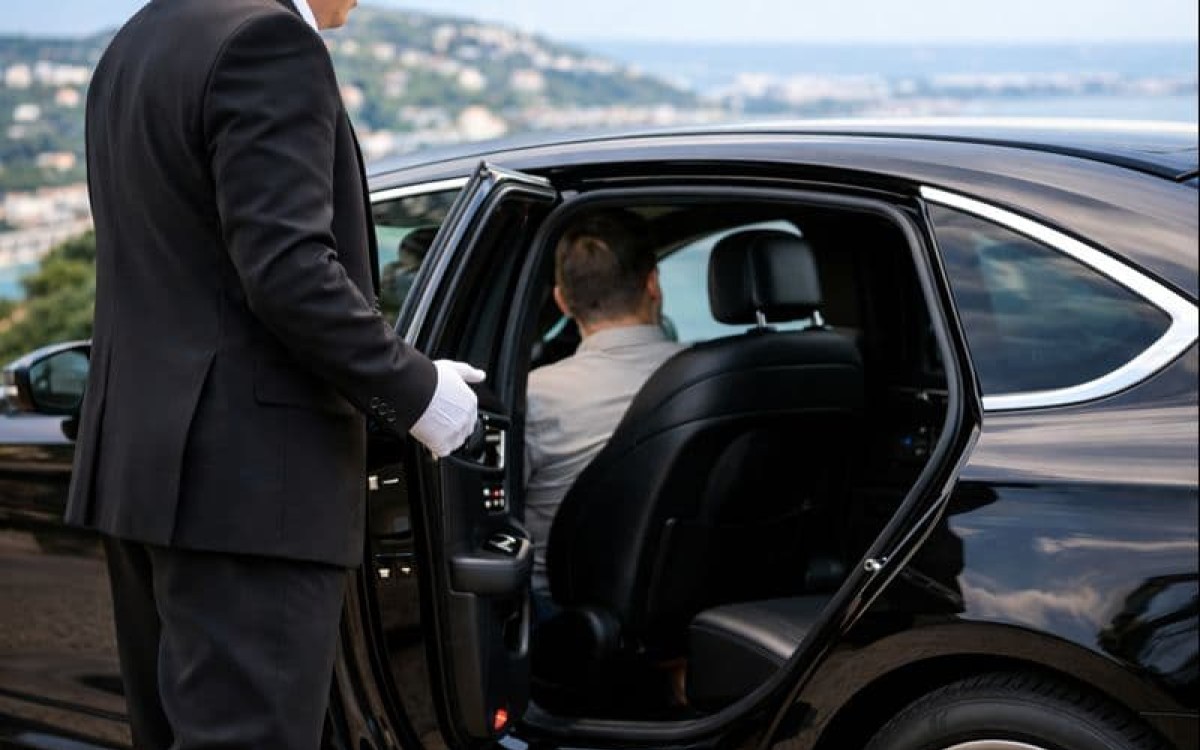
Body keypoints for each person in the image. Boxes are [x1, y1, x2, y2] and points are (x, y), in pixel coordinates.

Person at [70, 1, 481, 747]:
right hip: (248, 491)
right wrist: (421, 393)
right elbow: (289, 273)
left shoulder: (138, 40)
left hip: (144, 477)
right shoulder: (269, 40)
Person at [524, 210, 683, 605]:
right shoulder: (718, 378)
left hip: (567, 619)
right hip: (696, 603)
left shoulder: (537, 396)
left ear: (562, 301)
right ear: (653, 285)